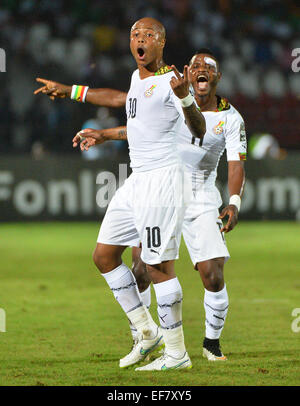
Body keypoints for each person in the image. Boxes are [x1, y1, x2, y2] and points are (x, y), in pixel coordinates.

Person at [35, 17, 206, 371]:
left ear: (161, 43)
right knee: (104, 256)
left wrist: (186, 96)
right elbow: (126, 104)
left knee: (157, 266)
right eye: (134, 34)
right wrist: (74, 95)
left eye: (148, 35)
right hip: (136, 181)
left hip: (161, 181)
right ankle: (147, 332)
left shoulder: (170, 83)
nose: (139, 39)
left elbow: (198, 127)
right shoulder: (137, 79)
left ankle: (177, 353)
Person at [71, 49, 247, 362]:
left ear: (218, 77)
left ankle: (210, 342)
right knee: (142, 267)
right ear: (187, 74)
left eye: (209, 67)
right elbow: (139, 128)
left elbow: (235, 165)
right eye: (195, 66)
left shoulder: (231, 118)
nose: (201, 70)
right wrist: (106, 134)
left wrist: (233, 202)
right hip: (162, 188)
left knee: (212, 275)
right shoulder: (170, 97)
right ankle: (144, 335)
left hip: (201, 196)